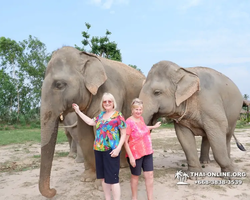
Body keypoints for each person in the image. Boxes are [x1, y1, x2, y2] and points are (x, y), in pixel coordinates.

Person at [72, 92, 126, 200]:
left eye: (109, 101)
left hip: (112, 151)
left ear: (113, 103)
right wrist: (78, 111)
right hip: (98, 150)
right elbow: (90, 122)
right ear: (102, 103)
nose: (107, 103)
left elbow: (124, 134)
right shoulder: (100, 116)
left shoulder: (118, 115)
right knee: (103, 178)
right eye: (105, 101)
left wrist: (118, 148)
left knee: (113, 179)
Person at [124, 98, 161, 200]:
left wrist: (154, 127)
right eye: (136, 109)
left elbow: (143, 128)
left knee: (149, 175)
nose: (138, 111)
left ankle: (150, 198)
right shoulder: (128, 122)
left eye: (140, 109)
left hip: (147, 151)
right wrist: (131, 157)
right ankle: (134, 197)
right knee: (135, 176)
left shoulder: (141, 119)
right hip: (135, 154)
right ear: (132, 110)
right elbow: (125, 142)